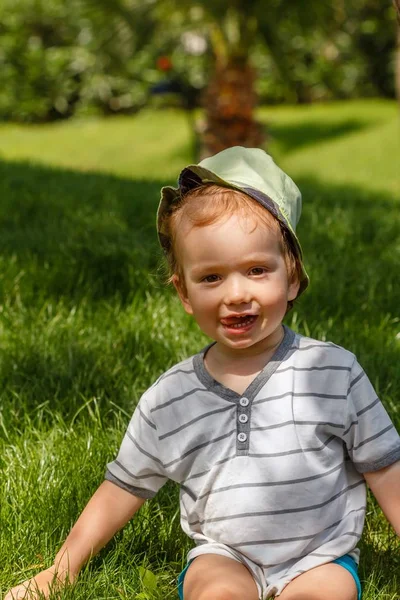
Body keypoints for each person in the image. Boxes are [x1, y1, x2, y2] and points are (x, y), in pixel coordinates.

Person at [6, 147, 400, 600]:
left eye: (256, 270)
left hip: (320, 556)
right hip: (223, 554)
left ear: (292, 276)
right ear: (184, 292)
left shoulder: (333, 372)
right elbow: (122, 488)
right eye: (211, 278)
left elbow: (386, 468)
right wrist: (61, 569)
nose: (236, 294)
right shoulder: (171, 397)